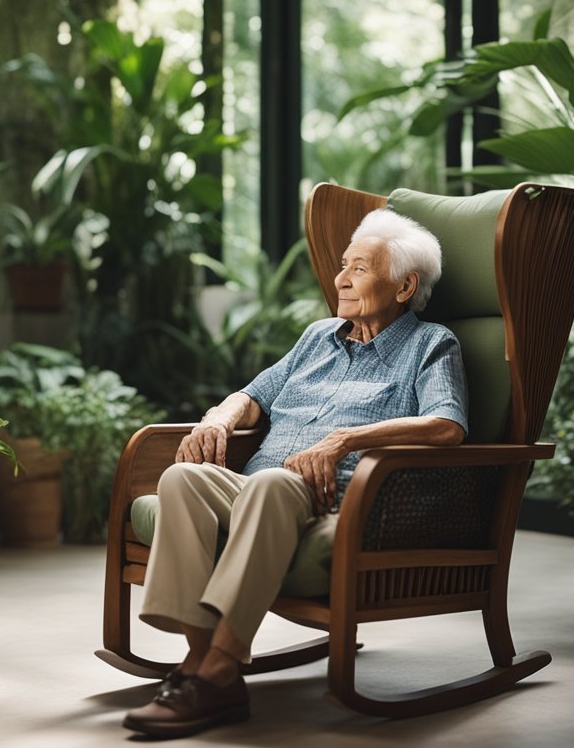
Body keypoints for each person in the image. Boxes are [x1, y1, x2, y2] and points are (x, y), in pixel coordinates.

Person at [122, 208, 469, 739]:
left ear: (405, 286)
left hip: (336, 497)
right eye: (343, 266)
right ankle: (207, 671)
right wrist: (218, 418)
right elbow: (253, 395)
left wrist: (343, 439)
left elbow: (447, 426)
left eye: (360, 268)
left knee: (272, 482)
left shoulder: (431, 344)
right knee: (181, 478)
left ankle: (215, 669)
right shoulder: (317, 338)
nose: (342, 279)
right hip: (259, 487)